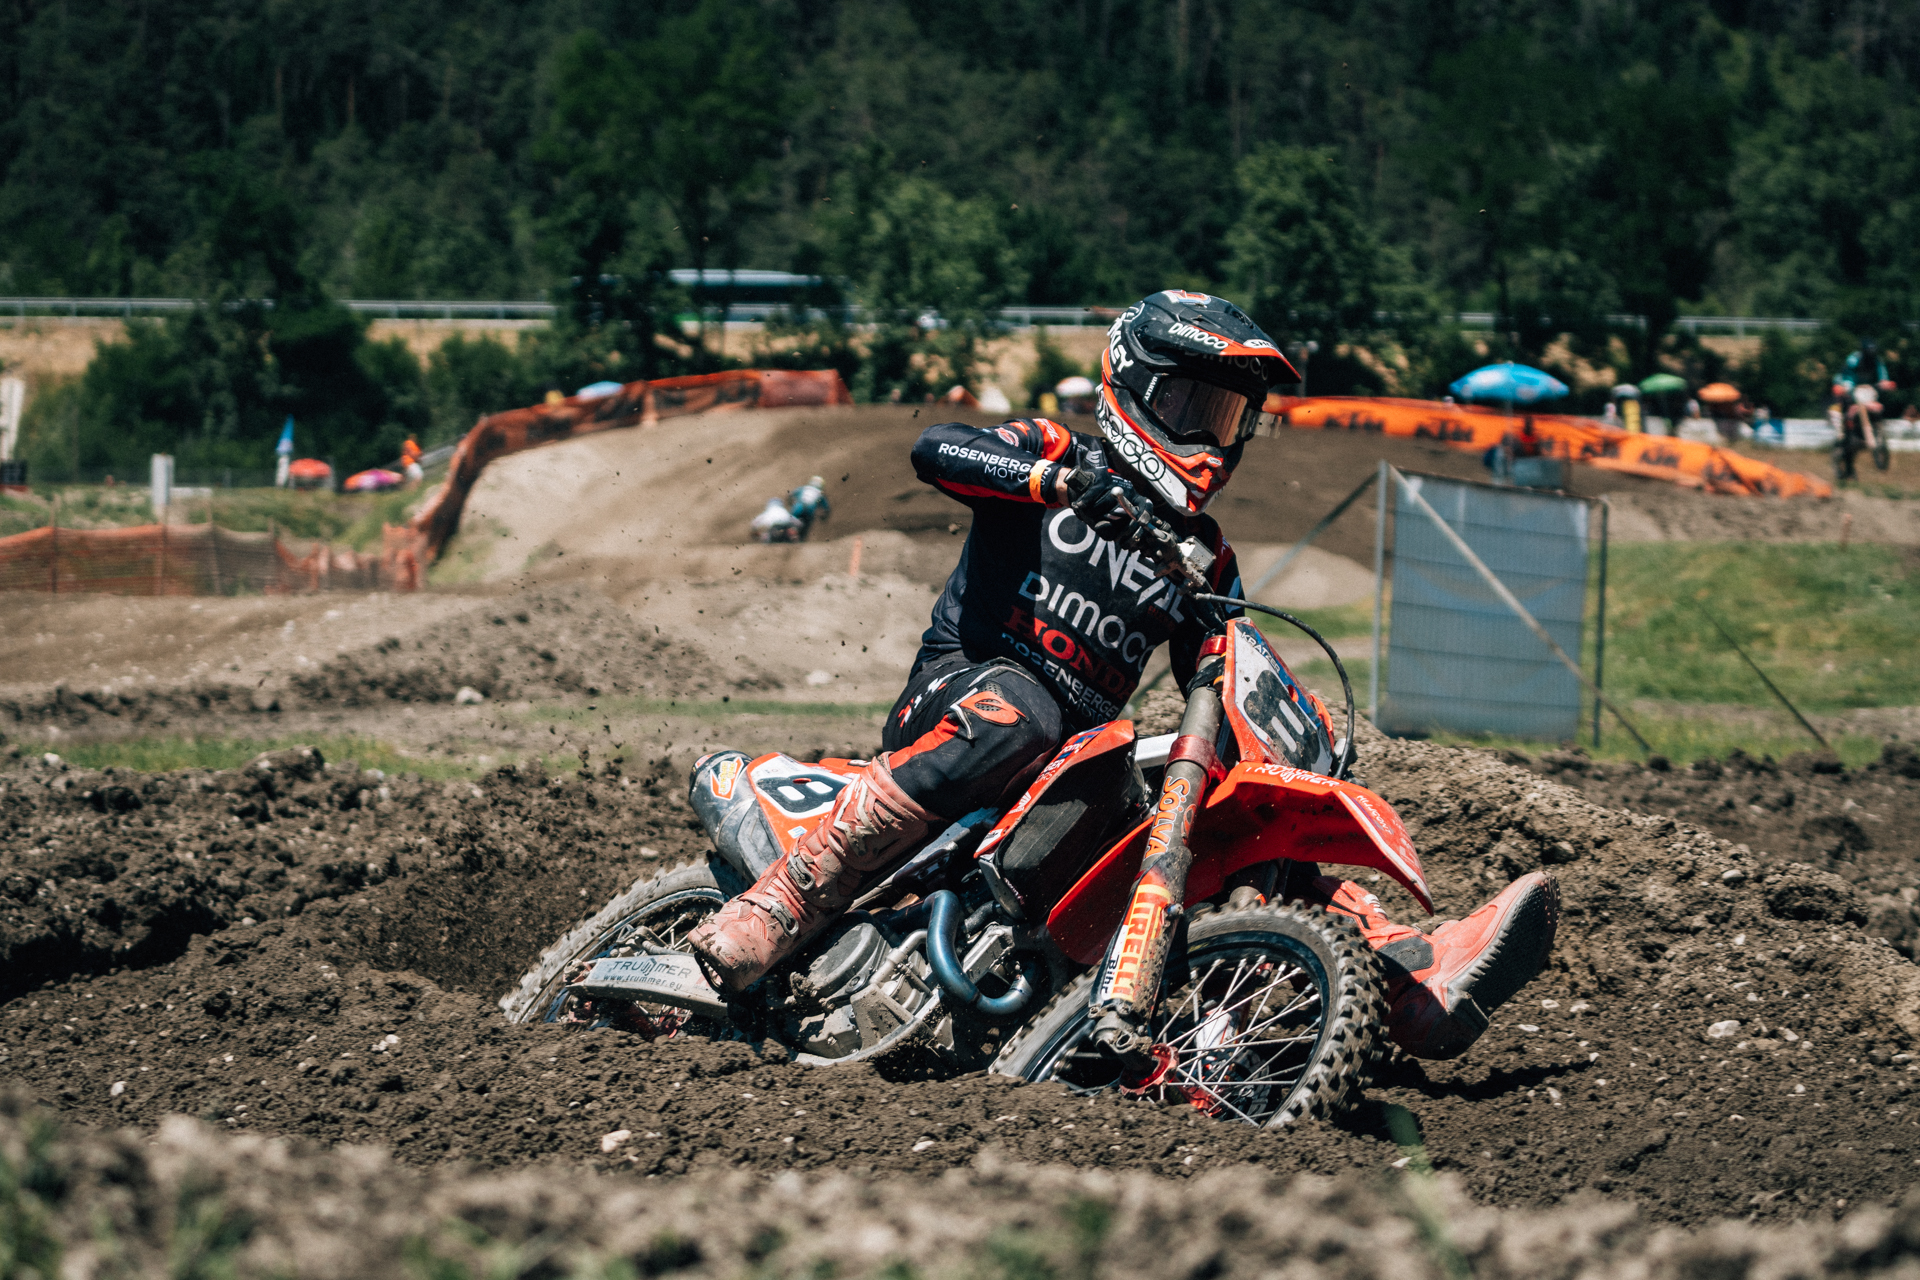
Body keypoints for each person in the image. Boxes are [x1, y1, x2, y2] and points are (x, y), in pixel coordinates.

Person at [688, 290, 1560, 1062]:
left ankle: (1413, 982)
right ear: (1134, 386)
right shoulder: (1057, 449)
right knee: (1021, 711)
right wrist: (1054, 480)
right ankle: (776, 907)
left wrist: (1286, 758)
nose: (1211, 440)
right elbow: (937, 449)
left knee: (1227, 812)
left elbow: (1224, 670)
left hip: (1069, 766)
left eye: (1228, 419)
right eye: (1193, 406)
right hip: (958, 698)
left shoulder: (1205, 562)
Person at [787, 476, 831, 540]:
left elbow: (790, 495)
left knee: (791, 524)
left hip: (797, 508)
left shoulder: (803, 488)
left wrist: (790, 503)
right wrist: (824, 517)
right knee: (806, 527)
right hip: (809, 511)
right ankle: (801, 539)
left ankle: (788, 536)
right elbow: (826, 508)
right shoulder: (820, 494)